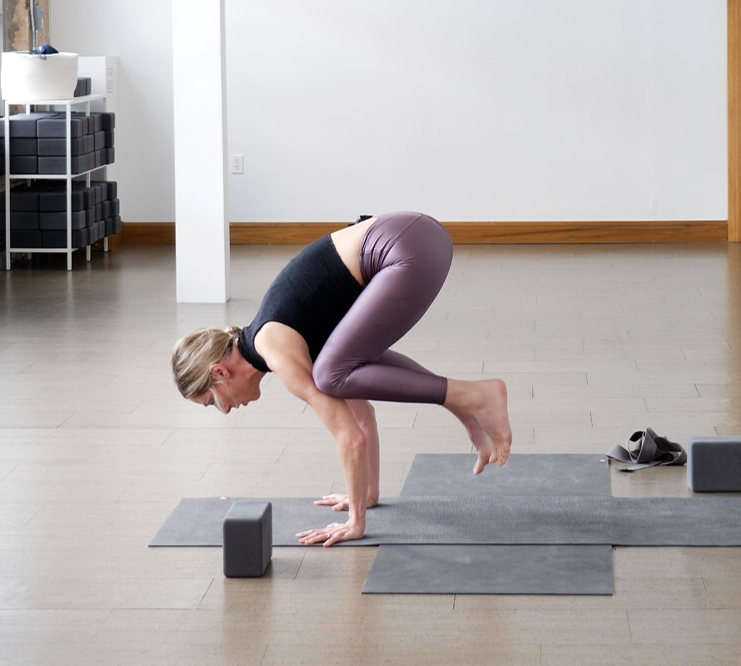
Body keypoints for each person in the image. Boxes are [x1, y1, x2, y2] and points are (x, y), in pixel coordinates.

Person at [171, 212, 512, 546]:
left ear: (219, 372)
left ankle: (475, 396)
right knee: (337, 372)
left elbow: (350, 438)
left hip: (409, 248)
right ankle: (466, 404)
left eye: (213, 402)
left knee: (330, 376)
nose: (227, 411)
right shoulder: (289, 341)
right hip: (420, 239)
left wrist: (355, 524)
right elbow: (362, 415)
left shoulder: (274, 347)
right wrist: (368, 495)